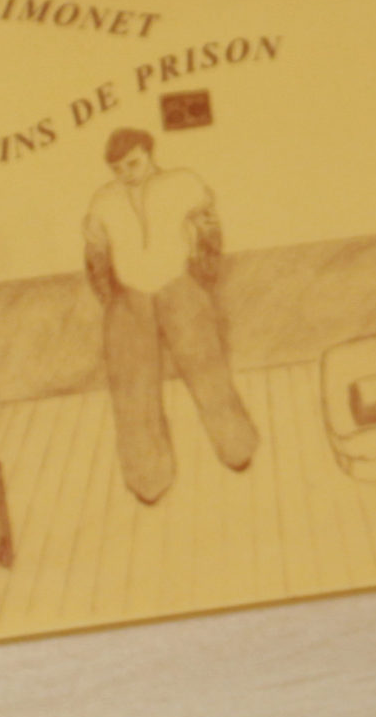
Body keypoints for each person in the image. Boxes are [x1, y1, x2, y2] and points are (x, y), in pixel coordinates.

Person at [83, 129, 258, 503]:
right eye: (118, 169)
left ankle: (237, 448)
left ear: (148, 152)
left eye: (133, 163)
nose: (127, 173)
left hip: (179, 286)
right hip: (128, 297)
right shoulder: (103, 200)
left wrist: (202, 279)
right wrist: (111, 298)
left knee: (208, 371)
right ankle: (148, 478)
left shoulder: (182, 182)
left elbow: (209, 230)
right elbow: (95, 255)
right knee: (133, 390)